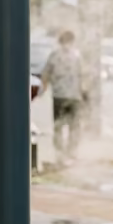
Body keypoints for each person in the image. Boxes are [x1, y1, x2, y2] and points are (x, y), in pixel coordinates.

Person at [41, 30, 83, 161]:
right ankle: (71, 151)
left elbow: (45, 74)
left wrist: (43, 89)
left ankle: (60, 153)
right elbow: (83, 75)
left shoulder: (54, 55)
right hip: (75, 96)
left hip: (59, 96)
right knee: (74, 126)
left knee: (58, 125)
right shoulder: (77, 56)